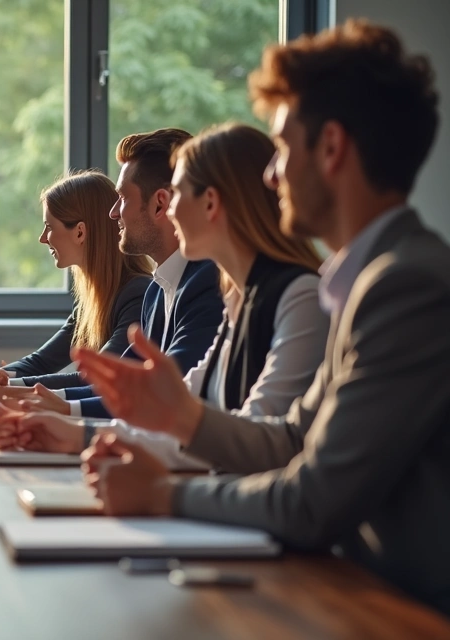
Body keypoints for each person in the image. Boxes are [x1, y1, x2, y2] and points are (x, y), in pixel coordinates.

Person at [67, 21, 449, 615]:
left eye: (283, 149)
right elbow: (294, 440)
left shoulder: (404, 286)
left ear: (332, 148)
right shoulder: (364, 281)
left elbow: (313, 499)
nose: (272, 176)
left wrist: (164, 495)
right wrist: (182, 417)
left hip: (396, 611)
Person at [0, 124, 330, 466]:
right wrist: (74, 433)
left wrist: (163, 494)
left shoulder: (296, 297)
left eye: (177, 195)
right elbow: (186, 412)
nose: (170, 210)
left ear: (210, 203)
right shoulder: (233, 298)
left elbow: (252, 443)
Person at [0, 129, 224, 419]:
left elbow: (160, 395)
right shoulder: (156, 292)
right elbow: (122, 384)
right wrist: (12, 389)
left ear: (160, 203)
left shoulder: (195, 285)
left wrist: (28, 397)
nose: (113, 213)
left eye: (122, 198)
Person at [0, 170, 151, 402]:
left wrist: (10, 386)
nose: (43, 238)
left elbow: (97, 376)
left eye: (49, 227)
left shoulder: (139, 294)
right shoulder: (93, 300)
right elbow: (43, 361)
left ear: (80, 232)